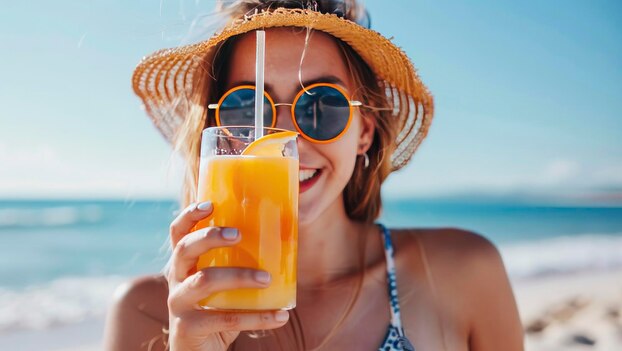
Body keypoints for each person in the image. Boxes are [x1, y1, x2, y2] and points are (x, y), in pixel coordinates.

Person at [104, 1, 524, 350]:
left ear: (364, 132)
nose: (286, 141)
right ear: (219, 136)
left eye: (321, 106)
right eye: (246, 107)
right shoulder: (148, 314)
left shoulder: (463, 272)